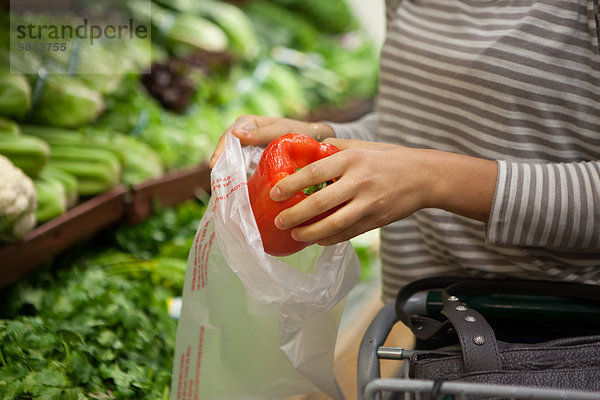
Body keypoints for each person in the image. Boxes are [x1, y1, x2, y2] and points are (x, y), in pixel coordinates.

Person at [211, 0, 600, 303]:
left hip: (556, 324)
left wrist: (432, 179)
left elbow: (427, 163)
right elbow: (418, 122)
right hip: (430, 316)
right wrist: (320, 138)